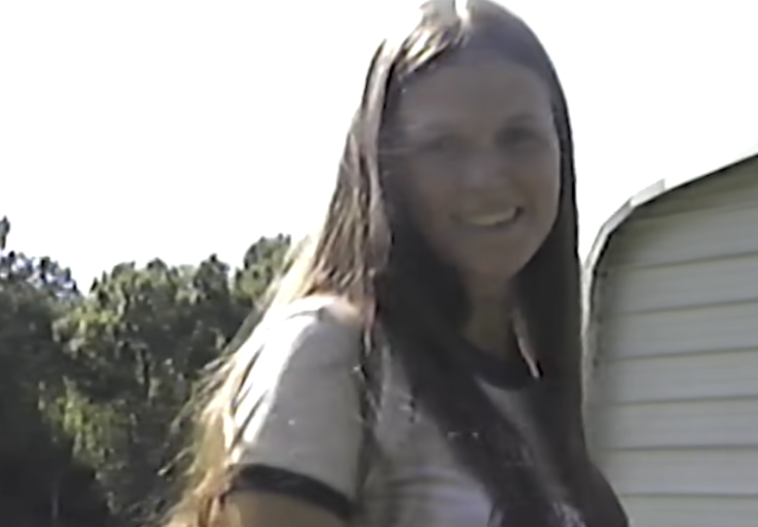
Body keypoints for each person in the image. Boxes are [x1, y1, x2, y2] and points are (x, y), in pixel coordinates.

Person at [162, 1, 628, 526]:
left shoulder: (544, 412)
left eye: (518, 137)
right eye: (442, 146)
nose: (485, 177)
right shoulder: (332, 354)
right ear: (384, 169)